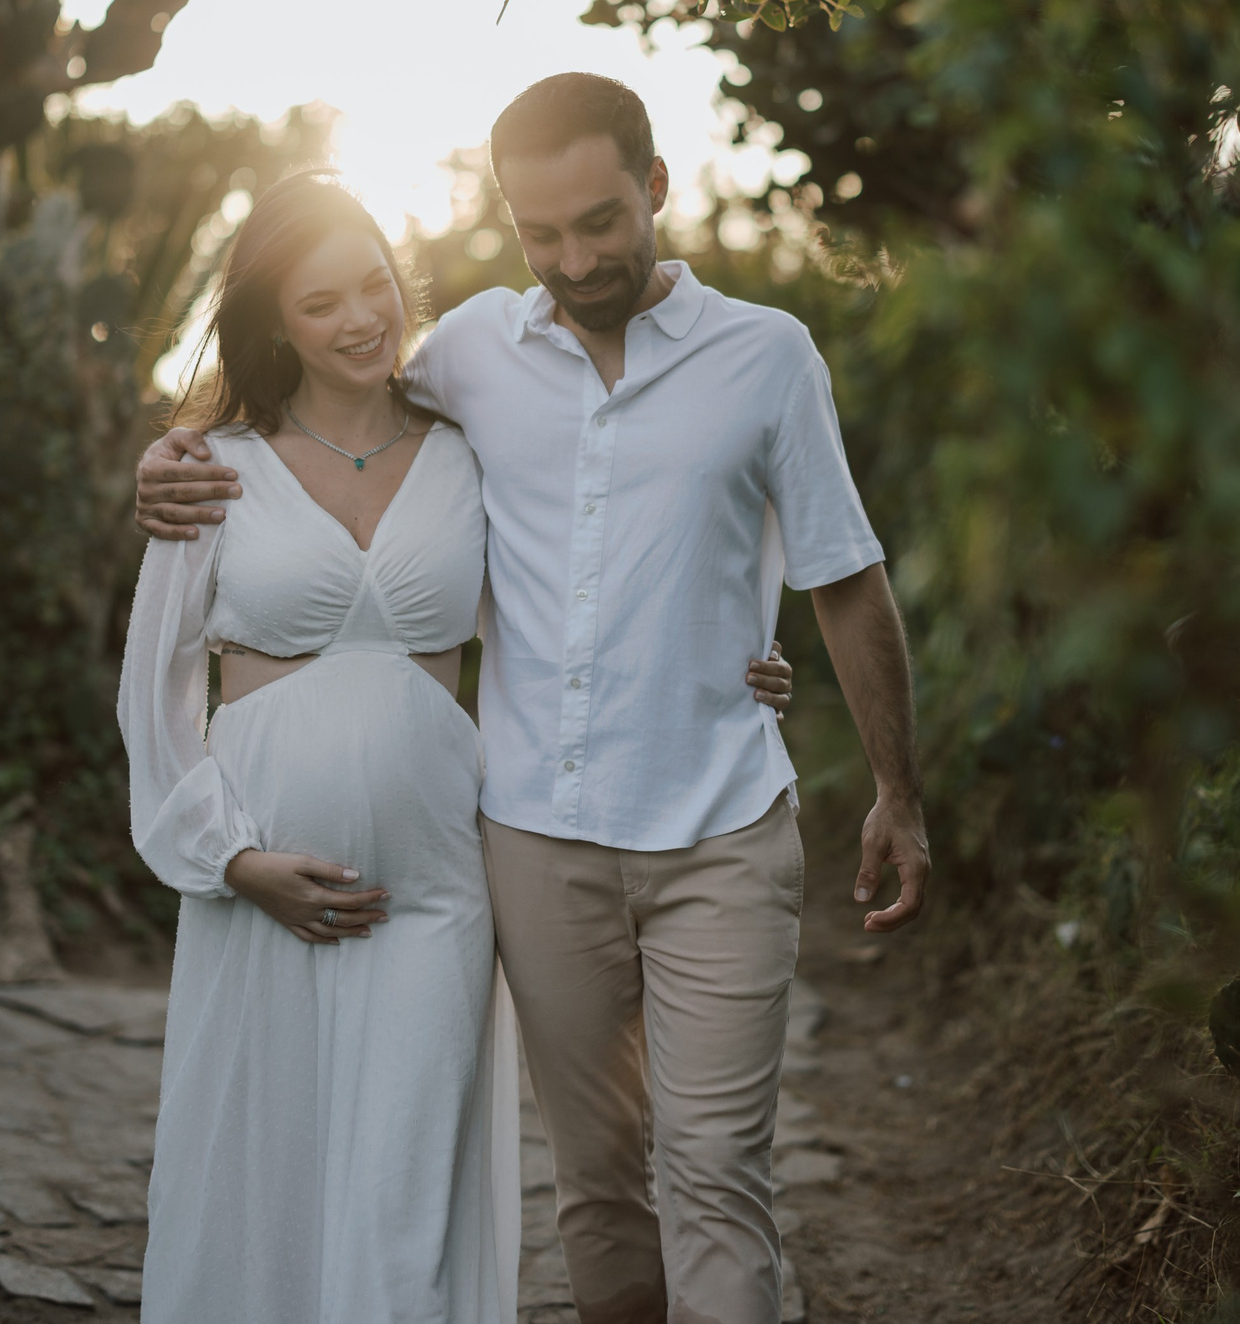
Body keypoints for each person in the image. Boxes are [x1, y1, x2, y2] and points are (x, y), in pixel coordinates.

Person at [136, 76, 928, 1324]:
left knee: (708, 1172)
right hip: (529, 844)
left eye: (600, 222)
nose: (574, 259)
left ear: (654, 186)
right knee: (591, 1187)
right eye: (540, 233)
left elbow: (832, 570)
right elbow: (312, 444)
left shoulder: (758, 356)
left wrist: (881, 772)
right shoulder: (466, 362)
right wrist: (165, 455)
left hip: (684, 828)